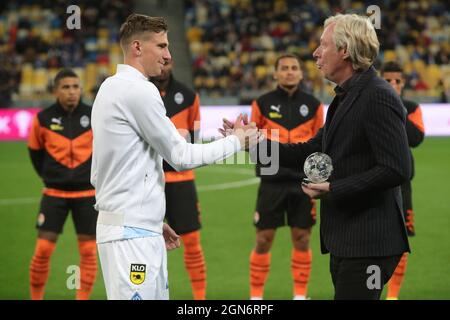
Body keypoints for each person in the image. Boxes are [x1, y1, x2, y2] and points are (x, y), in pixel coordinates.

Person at [223, 14, 411, 300]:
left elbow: (396, 168)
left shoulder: (377, 96)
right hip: (349, 239)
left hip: (371, 242)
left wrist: (335, 188)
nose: (315, 52)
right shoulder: (344, 97)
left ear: (345, 50)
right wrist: (252, 143)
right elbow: (308, 150)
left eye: (323, 45)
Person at [90, 13, 259, 300]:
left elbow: (101, 171)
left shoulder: (110, 87)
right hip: (131, 235)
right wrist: (236, 141)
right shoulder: (138, 91)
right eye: (161, 46)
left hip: (137, 227)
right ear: (137, 48)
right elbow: (180, 156)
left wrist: (152, 220)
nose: (168, 55)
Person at [248, 53, 324, 300]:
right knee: (263, 239)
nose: (290, 72)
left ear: (301, 74)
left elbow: (320, 145)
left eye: (294, 68)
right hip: (271, 181)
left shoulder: (314, 105)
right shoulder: (261, 104)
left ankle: (300, 295)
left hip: (303, 183)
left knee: (302, 238)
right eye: (284, 68)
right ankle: (256, 297)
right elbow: (251, 140)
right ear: (275, 74)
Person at [28, 69, 98, 300]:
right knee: (43, 250)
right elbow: (35, 154)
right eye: (66, 87)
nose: (72, 92)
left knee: (88, 251)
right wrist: (52, 176)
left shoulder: (94, 116)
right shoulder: (43, 119)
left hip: (87, 195)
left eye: (76, 87)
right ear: (56, 90)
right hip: (54, 194)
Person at [150, 59, 207, 300]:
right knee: (145, 243)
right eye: (159, 61)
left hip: (181, 179)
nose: (162, 67)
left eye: (167, 62)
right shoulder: (142, 92)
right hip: (149, 178)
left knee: (192, 243)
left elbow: (193, 137)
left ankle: (199, 300)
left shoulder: (188, 96)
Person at [381, 61, 425, 300]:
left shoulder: (411, 106)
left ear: (403, 83)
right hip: (375, 180)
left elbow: (416, 138)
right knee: (375, 237)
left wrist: (396, 107)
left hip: (402, 183)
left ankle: (393, 296)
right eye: (388, 81)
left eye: (397, 81)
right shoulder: (372, 102)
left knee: (402, 238)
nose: (393, 85)